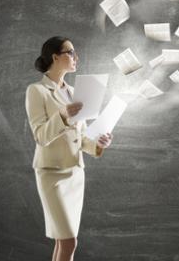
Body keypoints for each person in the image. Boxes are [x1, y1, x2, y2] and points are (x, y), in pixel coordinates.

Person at [26, 36, 113, 261]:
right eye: (71, 52)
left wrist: (98, 144)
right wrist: (63, 115)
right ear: (55, 57)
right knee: (68, 241)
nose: (76, 57)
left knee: (63, 241)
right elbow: (40, 136)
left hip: (75, 173)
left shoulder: (75, 92)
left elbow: (81, 137)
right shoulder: (37, 91)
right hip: (52, 173)